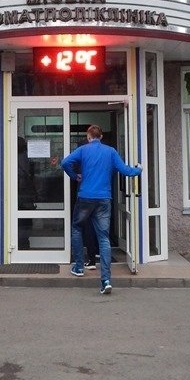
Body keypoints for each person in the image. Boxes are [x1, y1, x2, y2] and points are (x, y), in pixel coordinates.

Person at [61, 125, 142, 295]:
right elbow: (125, 170)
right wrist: (138, 170)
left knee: (77, 228)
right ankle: (106, 280)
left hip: (85, 197)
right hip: (104, 199)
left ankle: (79, 267)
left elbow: (65, 163)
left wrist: (75, 176)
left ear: (88, 136)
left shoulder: (83, 150)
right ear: (101, 136)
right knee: (104, 238)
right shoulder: (110, 152)